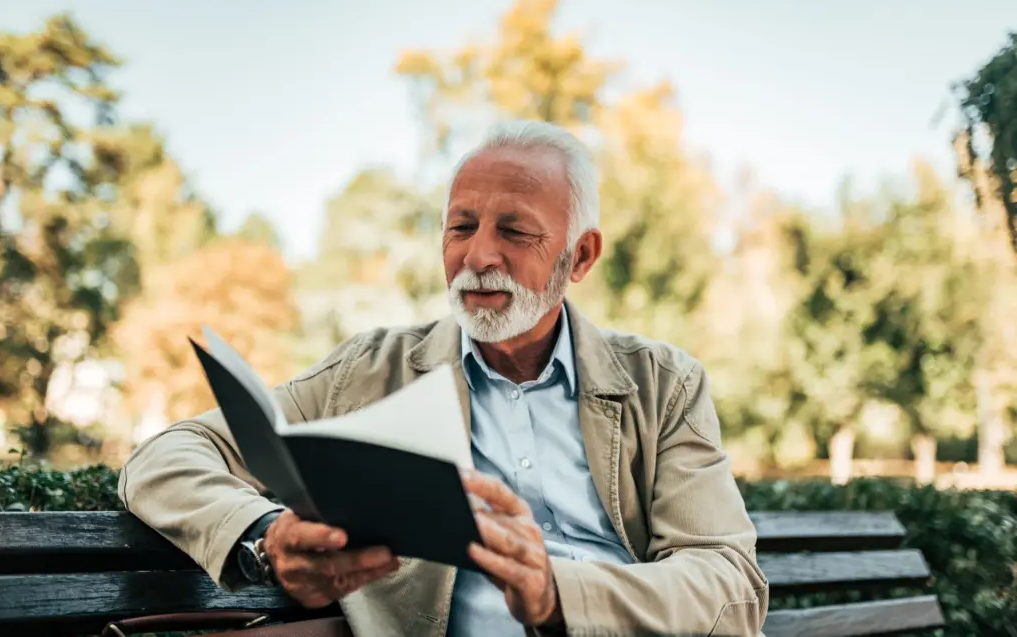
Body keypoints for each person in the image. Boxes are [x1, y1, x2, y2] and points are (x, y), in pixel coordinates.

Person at [119, 120, 769, 637]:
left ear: (580, 256)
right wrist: (263, 536)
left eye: (514, 231)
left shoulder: (662, 384)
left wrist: (558, 593)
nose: (477, 255)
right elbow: (165, 457)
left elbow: (730, 584)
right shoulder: (367, 373)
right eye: (461, 227)